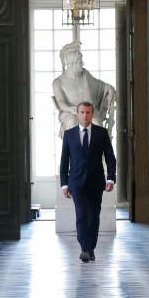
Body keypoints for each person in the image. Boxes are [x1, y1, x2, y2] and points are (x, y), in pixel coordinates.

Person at [59, 102, 116, 263]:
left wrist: (111, 178)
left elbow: (110, 158)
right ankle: (85, 248)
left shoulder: (102, 133)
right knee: (82, 213)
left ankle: (90, 247)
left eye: (88, 112)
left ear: (92, 114)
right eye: (82, 112)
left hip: (96, 180)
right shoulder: (69, 134)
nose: (85, 115)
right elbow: (64, 160)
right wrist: (64, 184)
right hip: (76, 181)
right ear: (77, 114)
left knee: (94, 215)